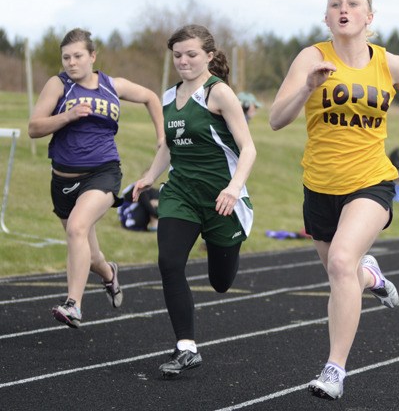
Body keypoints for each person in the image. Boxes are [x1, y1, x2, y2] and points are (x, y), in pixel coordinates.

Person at [270, 0, 399, 400]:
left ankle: (334, 370)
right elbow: (276, 119)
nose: (343, 8)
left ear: (369, 17)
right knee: (345, 273)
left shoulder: (392, 65)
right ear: (326, 17)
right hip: (319, 184)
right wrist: (307, 87)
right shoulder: (312, 57)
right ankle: (370, 274)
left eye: (353, 3)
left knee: (339, 262)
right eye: (335, 3)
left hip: (372, 179)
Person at [132, 24, 256, 378]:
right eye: (177, 55)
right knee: (169, 263)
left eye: (191, 55)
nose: (183, 61)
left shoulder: (219, 94)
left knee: (220, 282)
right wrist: (149, 177)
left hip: (221, 199)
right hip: (181, 194)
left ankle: (224, 246)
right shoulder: (169, 97)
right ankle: (186, 347)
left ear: (209, 56)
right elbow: (168, 147)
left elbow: (248, 148)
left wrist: (233, 189)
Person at [28, 28, 164, 329]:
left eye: (77, 56)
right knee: (89, 255)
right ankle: (109, 274)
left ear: (92, 56)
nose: (71, 63)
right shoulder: (58, 85)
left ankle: (73, 305)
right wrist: (67, 116)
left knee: (77, 229)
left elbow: (151, 98)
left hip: (103, 173)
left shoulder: (112, 85)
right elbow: (34, 127)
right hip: (63, 180)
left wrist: (161, 136)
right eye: (66, 57)